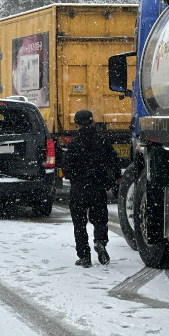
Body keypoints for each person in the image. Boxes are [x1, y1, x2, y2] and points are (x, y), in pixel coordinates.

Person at [62, 109, 121, 267]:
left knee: (79, 224)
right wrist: (115, 177)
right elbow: (114, 162)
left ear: (76, 125)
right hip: (98, 187)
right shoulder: (102, 142)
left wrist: (75, 177)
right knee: (100, 220)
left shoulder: (72, 145)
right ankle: (100, 241)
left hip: (78, 189)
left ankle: (84, 256)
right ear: (93, 122)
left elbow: (66, 169)